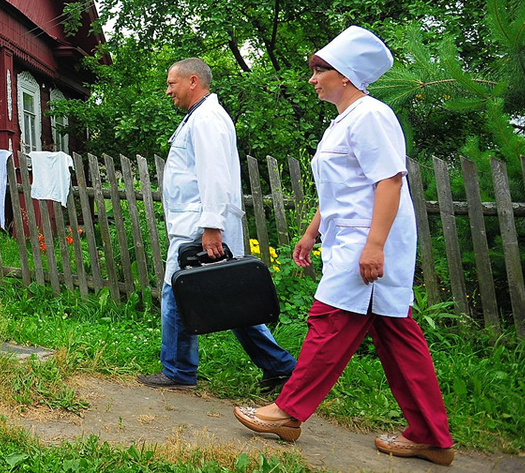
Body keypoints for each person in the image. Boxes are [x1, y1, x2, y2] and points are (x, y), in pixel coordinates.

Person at [233, 26, 454, 466]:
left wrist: (375, 246)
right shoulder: (346, 120)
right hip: (352, 237)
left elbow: (389, 181)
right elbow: (344, 188)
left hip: (367, 242)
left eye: (320, 69)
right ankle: (431, 437)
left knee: (329, 322)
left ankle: (287, 412)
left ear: (347, 75)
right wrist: (312, 229)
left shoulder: (371, 115)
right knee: (398, 337)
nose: (313, 78)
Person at [138, 58, 296, 391]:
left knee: (177, 291)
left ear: (192, 81)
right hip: (197, 221)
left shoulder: (207, 119)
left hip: (199, 225)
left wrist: (211, 226)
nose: (168, 91)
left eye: (171, 84)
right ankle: (281, 367)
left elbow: (214, 174)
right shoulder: (200, 118)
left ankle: (179, 372)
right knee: (231, 296)